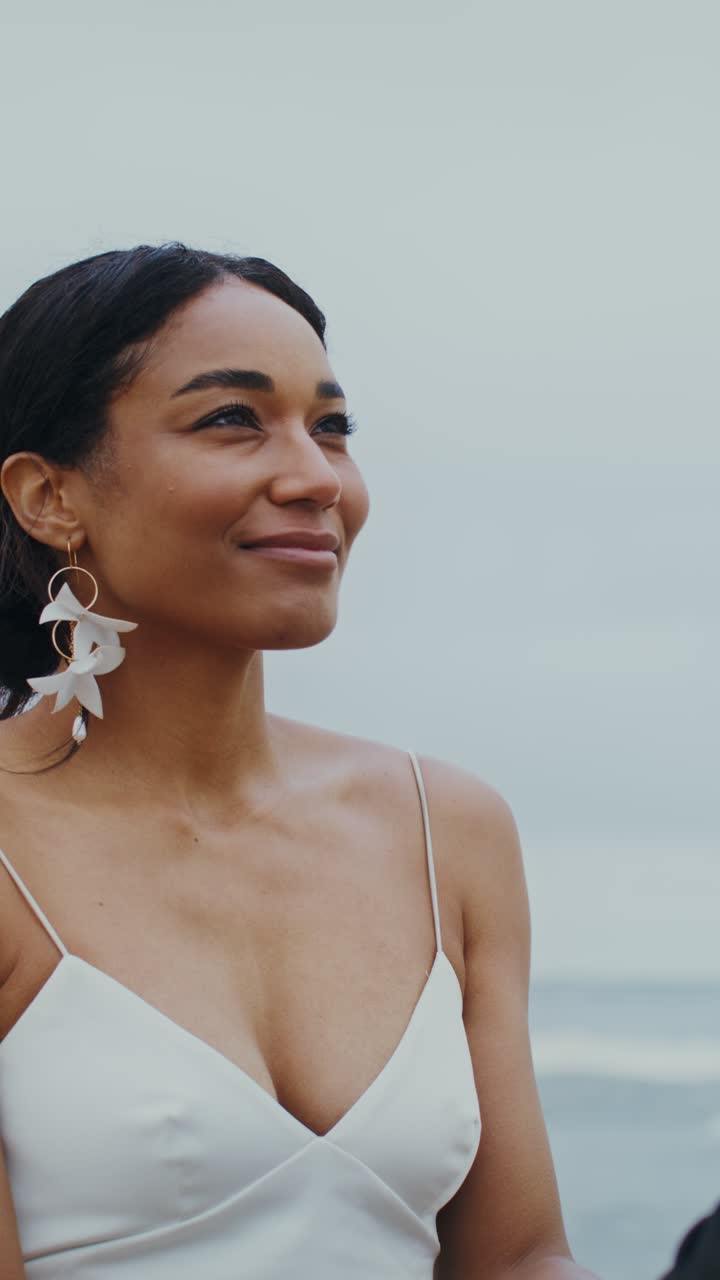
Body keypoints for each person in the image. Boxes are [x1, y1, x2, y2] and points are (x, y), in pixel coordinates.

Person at [0, 244, 597, 1279]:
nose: (317, 478)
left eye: (332, 428)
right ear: (51, 497)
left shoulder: (445, 830)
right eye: (232, 418)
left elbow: (521, 1260)